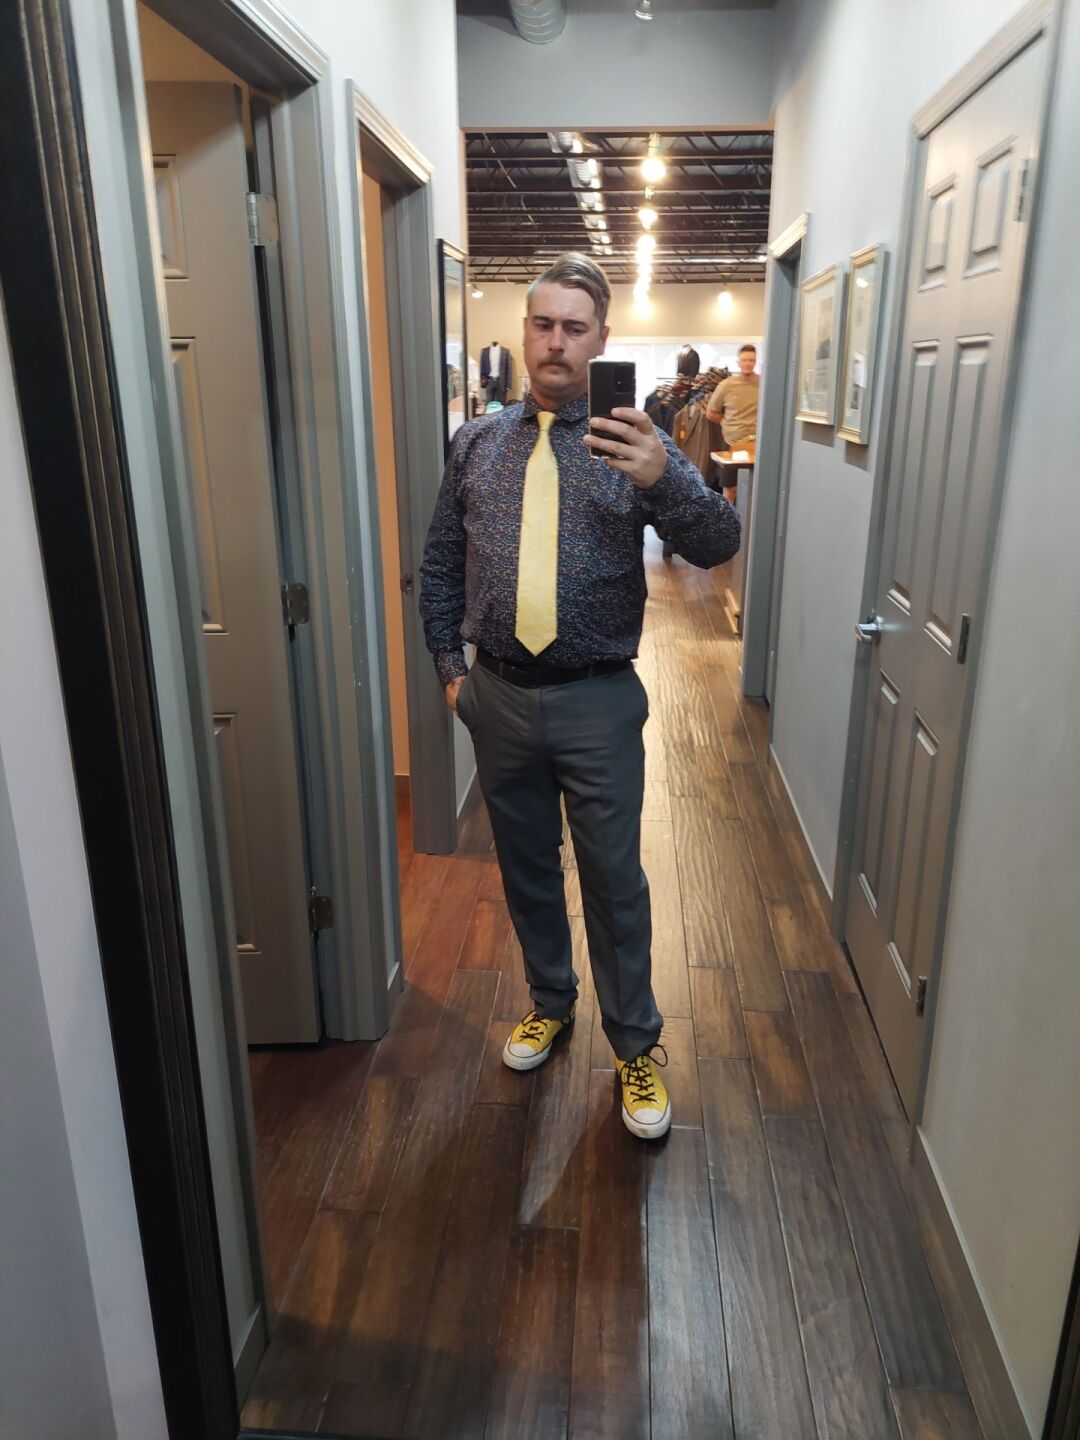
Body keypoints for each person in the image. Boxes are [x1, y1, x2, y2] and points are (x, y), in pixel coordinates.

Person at [419, 253, 740, 1140]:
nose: (556, 342)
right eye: (543, 324)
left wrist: (662, 477)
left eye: (575, 327)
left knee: (613, 879)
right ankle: (550, 1002)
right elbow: (441, 563)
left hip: (599, 699)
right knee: (525, 869)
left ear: (602, 339)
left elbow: (718, 542)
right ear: (524, 331)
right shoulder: (476, 444)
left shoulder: (635, 441)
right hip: (497, 695)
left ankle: (634, 1045)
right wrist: (451, 673)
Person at [707, 342, 760, 503]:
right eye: (744, 360)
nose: (748, 363)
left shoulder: (764, 384)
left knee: (756, 487)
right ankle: (727, 517)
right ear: (738, 362)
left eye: (751, 360)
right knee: (730, 488)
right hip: (733, 443)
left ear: (755, 361)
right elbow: (711, 413)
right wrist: (726, 423)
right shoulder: (726, 385)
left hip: (758, 444)